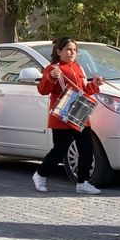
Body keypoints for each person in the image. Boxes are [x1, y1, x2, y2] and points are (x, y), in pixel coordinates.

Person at [32, 37, 104, 195]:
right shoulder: (52, 68)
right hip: (62, 116)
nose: (72, 53)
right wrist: (51, 76)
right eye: (68, 50)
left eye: (74, 50)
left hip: (80, 114)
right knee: (60, 150)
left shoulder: (78, 67)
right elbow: (43, 90)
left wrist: (94, 84)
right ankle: (40, 175)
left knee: (87, 148)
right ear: (59, 51)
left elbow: (84, 89)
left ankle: (82, 182)